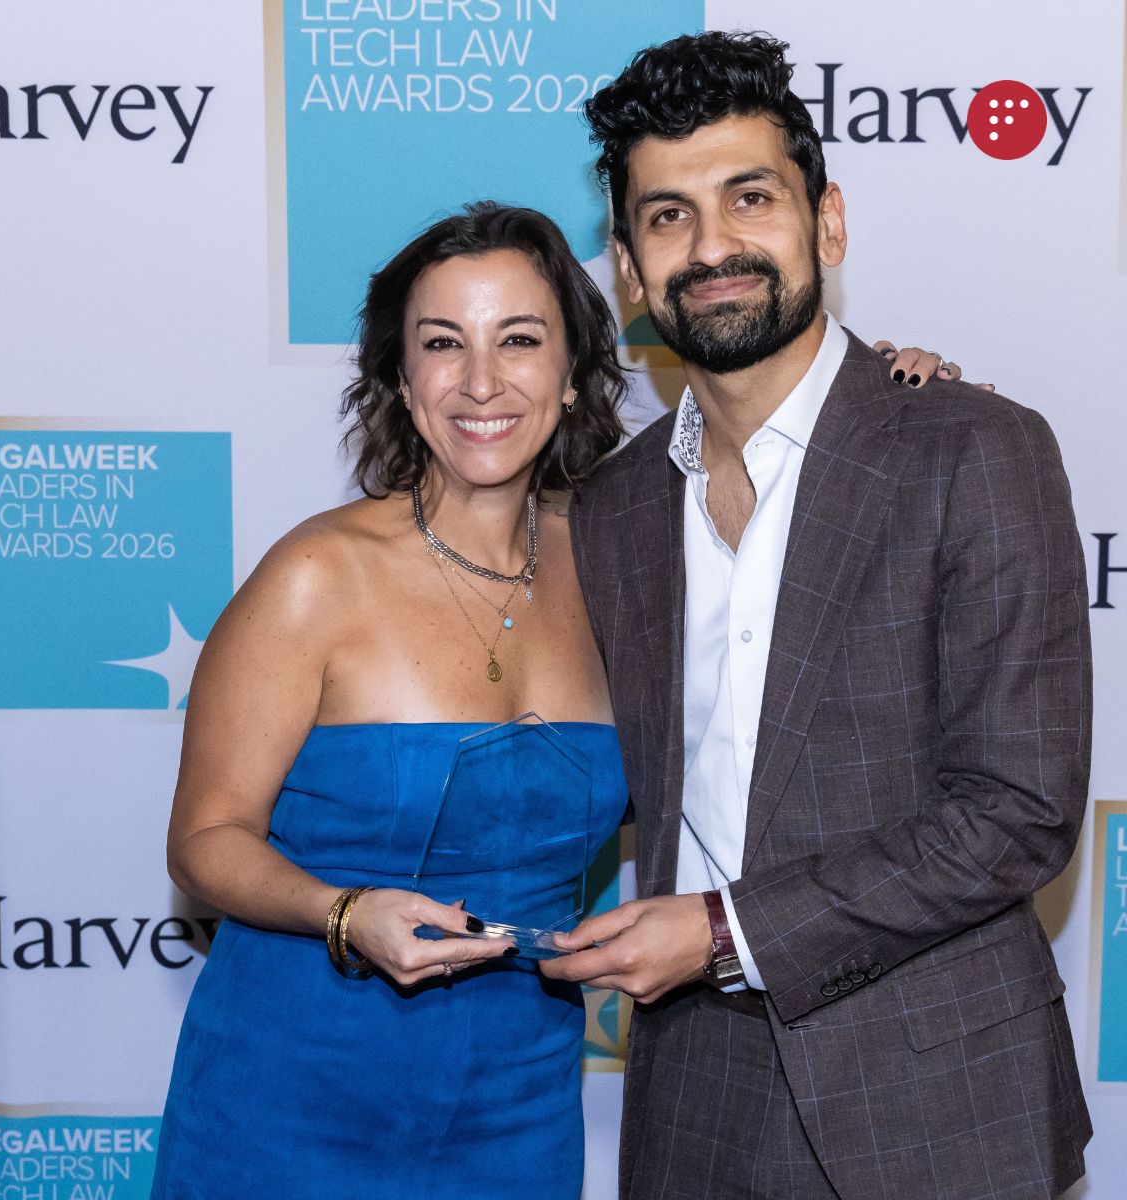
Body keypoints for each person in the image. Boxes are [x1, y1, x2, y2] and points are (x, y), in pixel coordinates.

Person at [542, 31, 1092, 1200]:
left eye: (751, 198)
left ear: (827, 224)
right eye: (669, 216)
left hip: (936, 1100)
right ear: (629, 271)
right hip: (693, 1098)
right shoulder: (612, 509)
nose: (713, 247)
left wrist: (725, 931)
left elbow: (1020, 813)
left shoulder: (973, 450)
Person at [149, 202, 632, 1200]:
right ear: (404, 382)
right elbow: (205, 839)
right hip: (289, 1106)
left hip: (521, 1111)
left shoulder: (626, 572)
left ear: (573, 372)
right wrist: (344, 912)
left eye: (520, 340)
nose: (482, 382)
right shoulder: (315, 576)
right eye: (444, 344)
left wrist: (891, 392)